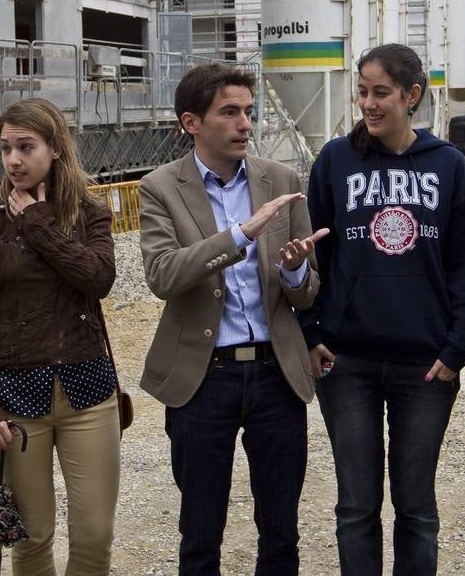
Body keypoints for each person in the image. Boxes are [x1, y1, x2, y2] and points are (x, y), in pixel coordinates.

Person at [301, 43, 465, 576]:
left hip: (425, 366)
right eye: (363, 92)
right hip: (346, 363)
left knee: (416, 508)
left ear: (412, 95)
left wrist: (458, 349)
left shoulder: (449, 166)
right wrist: (310, 331)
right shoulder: (336, 160)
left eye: (381, 93)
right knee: (356, 507)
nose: (369, 104)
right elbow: (313, 254)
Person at [138, 62, 326, 575]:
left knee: (281, 529)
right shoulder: (160, 188)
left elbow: (308, 292)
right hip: (203, 379)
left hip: (276, 375)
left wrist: (292, 272)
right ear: (191, 122)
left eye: (249, 111)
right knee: (200, 531)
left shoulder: (282, 180)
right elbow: (161, 274)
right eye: (229, 112)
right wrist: (241, 235)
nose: (245, 123)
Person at [0, 98, 121, 576]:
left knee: (94, 535)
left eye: (26, 147)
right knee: (31, 537)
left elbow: (98, 278)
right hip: (15, 403)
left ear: (55, 150)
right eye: (5, 147)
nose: (13, 160)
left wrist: (36, 221)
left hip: (88, 395)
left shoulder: (89, 214)